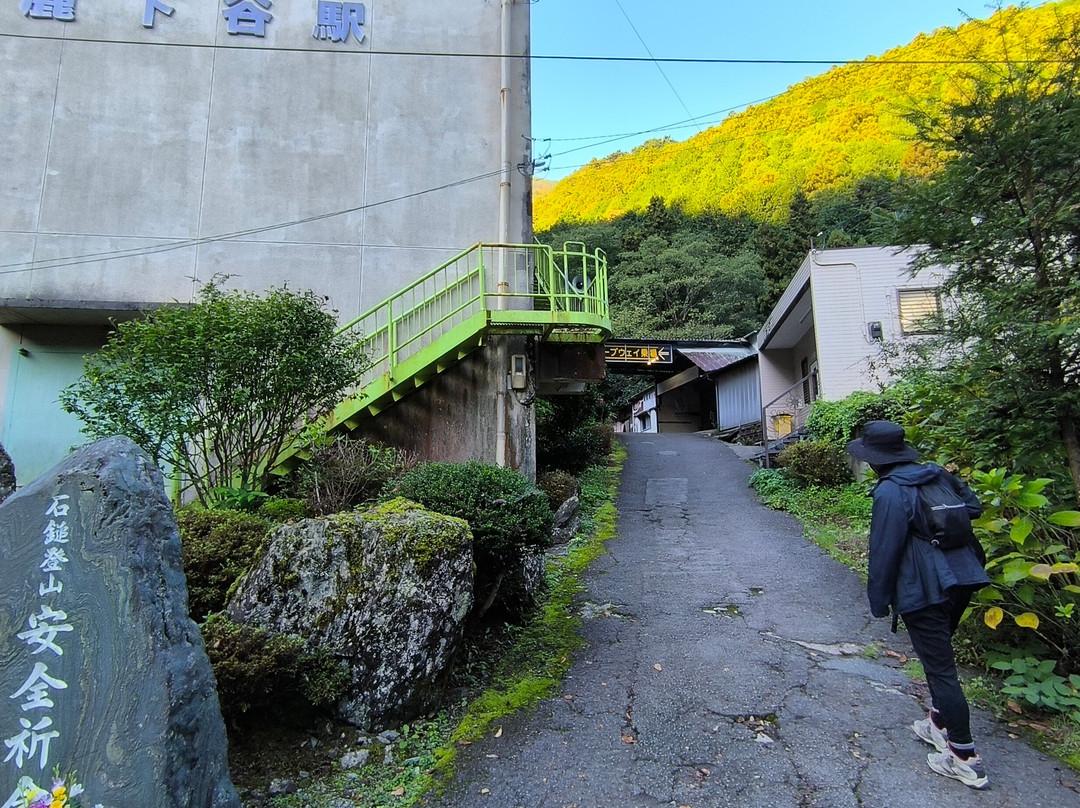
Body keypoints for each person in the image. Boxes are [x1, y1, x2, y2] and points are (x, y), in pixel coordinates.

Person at [847, 420, 991, 790]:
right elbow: (973, 507)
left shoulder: (890, 492)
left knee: (941, 669)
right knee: (939, 656)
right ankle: (937, 724)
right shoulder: (936, 474)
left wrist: (879, 600)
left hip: (926, 587)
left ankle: (964, 758)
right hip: (965, 575)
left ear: (875, 459)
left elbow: (884, 550)